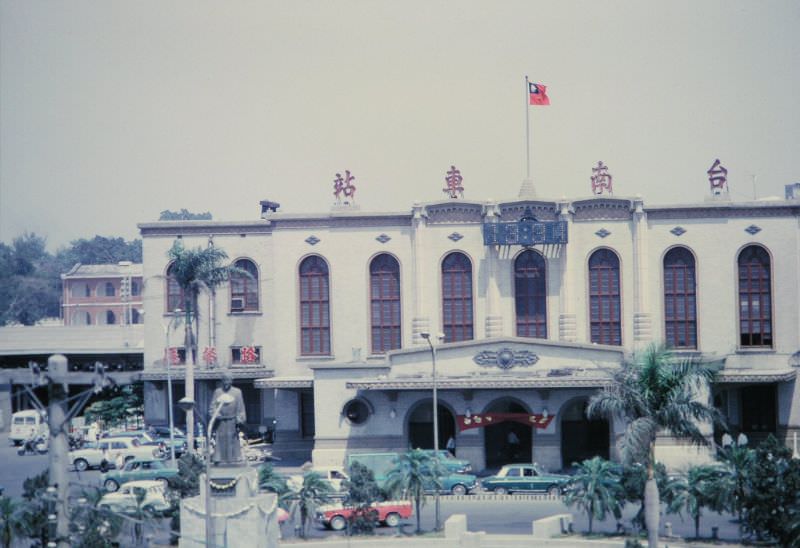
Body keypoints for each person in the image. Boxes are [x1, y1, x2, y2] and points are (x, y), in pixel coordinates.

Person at [209, 372, 247, 466]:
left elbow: (241, 407)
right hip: (220, 422)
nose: (226, 382)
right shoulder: (217, 392)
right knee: (220, 439)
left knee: (232, 439)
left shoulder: (237, 392)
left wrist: (240, 418)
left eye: (228, 380)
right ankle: (219, 459)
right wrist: (215, 414)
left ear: (231, 381)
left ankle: (234, 459)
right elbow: (212, 406)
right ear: (222, 381)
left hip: (232, 421)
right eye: (224, 380)